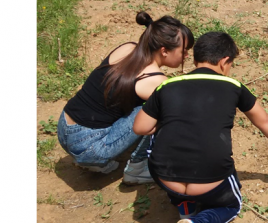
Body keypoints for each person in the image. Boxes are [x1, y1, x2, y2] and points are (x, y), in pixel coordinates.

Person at [133, 31, 268, 223]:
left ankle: (184, 203)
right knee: (231, 206)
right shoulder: (234, 86)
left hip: (165, 177)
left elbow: (140, 127)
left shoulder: (167, 85)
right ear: (224, 61)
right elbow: (264, 121)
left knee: (157, 135)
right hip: (211, 181)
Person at [56, 12, 193, 184]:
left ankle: (90, 159)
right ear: (164, 50)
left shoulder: (128, 48)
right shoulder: (154, 80)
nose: (186, 56)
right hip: (89, 147)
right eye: (184, 51)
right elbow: (187, 106)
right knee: (162, 111)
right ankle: (137, 168)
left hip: (64, 128)